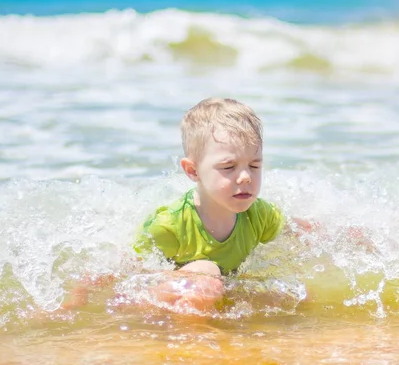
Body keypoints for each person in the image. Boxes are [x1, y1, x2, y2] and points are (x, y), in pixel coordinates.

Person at [61, 97, 314, 313]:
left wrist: (346, 236)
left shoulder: (259, 215)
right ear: (193, 171)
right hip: (158, 298)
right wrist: (75, 301)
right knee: (208, 274)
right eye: (229, 167)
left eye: (255, 165)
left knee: (292, 294)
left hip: (207, 291)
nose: (246, 177)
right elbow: (119, 268)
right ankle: (195, 342)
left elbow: (300, 230)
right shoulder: (169, 225)